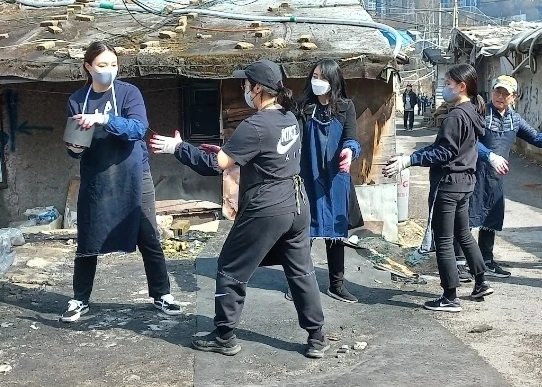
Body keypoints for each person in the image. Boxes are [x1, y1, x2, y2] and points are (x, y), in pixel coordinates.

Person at [150, 60, 329, 358]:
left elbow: (214, 166)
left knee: (231, 268)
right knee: (301, 270)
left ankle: (224, 335)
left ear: (257, 88)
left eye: (245, 84)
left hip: (267, 205)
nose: (243, 89)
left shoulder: (254, 125)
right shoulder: (289, 117)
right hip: (297, 202)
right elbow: (263, 154)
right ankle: (317, 336)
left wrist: (177, 148)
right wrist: (226, 152)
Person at [60, 42, 180, 323]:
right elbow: (75, 145)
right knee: (88, 238)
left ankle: (162, 294)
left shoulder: (129, 93)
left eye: (113, 65)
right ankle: (79, 299)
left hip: (134, 173)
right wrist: (74, 148)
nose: (109, 70)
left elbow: (137, 128)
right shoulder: (78, 99)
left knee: (148, 235)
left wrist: (103, 119)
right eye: (102, 65)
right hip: (96, 176)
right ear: (88, 67)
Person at [384, 64, 494, 312]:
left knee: (443, 240)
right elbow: (443, 147)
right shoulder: (472, 112)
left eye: (448, 83)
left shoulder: (456, 116)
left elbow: (444, 152)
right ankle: (481, 282)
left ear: (462, 86)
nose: (445, 88)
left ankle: (450, 296)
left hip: (448, 184)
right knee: (463, 234)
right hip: (465, 182)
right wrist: (411, 157)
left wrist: (410, 160)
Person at [463, 75, 542, 279]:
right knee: (467, 218)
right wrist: (489, 155)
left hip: (495, 177)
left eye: (505, 93)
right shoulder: (479, 113)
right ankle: (460, 263)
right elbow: (469, 140)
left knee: (491, 217)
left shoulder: (514, 119)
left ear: (514, 97)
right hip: (472, 173)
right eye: (497, 91)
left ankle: (486, 260)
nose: (500, 96)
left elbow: (537, 138)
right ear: (491, 91)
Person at [296, 59, 364, 303]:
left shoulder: (345, 107)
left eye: (323, 77)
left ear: (333, 81)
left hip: (335, 177)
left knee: (335, 232)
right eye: (314, 76)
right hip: (307, 175)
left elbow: (352, 138)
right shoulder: (303, 107)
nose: (317, 81)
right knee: (303, 232)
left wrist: (349, 151)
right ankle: (300, 285)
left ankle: (336, 285)